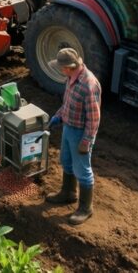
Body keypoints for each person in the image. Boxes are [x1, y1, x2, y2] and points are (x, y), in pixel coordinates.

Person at [46, 47, 101, 225]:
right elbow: (68, 103)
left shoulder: (88, 85)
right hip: (68, 127)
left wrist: (86, 141)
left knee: (83, 170)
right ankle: (68, 193)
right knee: (66, 161)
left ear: (69, 66)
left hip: (80, 133)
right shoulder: (71, 78)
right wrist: (58, 116)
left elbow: (94, 118)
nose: (60, 71)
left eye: (61, 68)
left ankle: (86, 208)